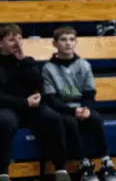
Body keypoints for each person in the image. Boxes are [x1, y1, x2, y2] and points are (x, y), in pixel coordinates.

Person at [42, 26, 116, 181]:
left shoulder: (84, 65)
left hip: (81, 106)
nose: (68, 43)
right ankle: (84, 163)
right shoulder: (48, 68)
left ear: (76, 42)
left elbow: (89, 93)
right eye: (63, 40)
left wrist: (87, 109)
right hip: (63, 109)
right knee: (70, 122)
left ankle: (106, 161)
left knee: (95, 118)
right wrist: (73, 111)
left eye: (72, 39)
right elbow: (51, 99)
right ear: (55, 43)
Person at [0, 24, 72, 181]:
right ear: (0, 43)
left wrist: (23, 60)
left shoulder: (28, 61)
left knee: (53, 117)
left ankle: (60, 169)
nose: (17, 44)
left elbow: (39, 86)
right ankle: (2, 173)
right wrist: (24, 102)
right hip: (7, 107)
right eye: (12, 40)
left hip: (30, 107)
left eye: (20, 39)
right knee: (4, 121)